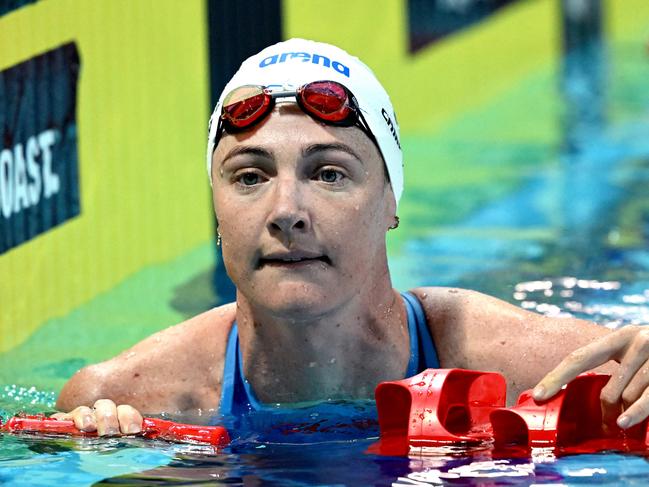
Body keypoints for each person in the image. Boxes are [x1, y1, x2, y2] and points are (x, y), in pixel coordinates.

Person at [54, 38, 649, 438]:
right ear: (215, 211)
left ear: (391, 199)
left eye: (329, 173)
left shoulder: (522, 364)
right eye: (250, 176)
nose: (286, 211)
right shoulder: (130, 398)